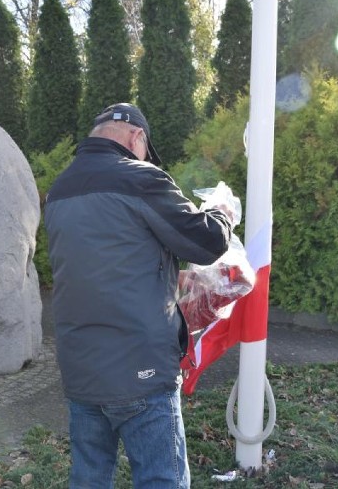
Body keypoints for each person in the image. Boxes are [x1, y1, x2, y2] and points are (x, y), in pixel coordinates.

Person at [44, 102, 233, 488]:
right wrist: (223, 212)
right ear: (136, 137)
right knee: (161, 479)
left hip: (81, 369)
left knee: (89, 479)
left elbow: (104, 264)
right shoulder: (140, 178)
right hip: (140, 369)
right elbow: (207, 241)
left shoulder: (60, 189)